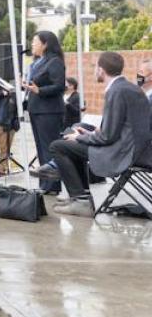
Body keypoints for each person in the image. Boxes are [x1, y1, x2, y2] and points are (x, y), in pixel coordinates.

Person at [44, 52, 152, 217]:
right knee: (72, 138)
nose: (95, 71)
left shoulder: (116, 91)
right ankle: (80, 197)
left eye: (95, 67)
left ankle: (80, 200)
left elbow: (108, 136)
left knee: (58, 146)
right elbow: (118, 129)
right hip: (133, 149)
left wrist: (80, 137)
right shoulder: (129, 88)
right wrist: (87, 134)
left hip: (121, 153)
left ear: (101, 70)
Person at [23, 31, 66, 194]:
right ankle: (45, 184)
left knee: (49, 147)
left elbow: (59, 86)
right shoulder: (38, 62)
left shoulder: (54, 62)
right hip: (36, 109)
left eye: (35, 41)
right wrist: (27, 86)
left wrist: (39, 90)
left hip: (49, 111)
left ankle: (53, 185)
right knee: (41, 148)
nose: (32, 45)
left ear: (45, 44)